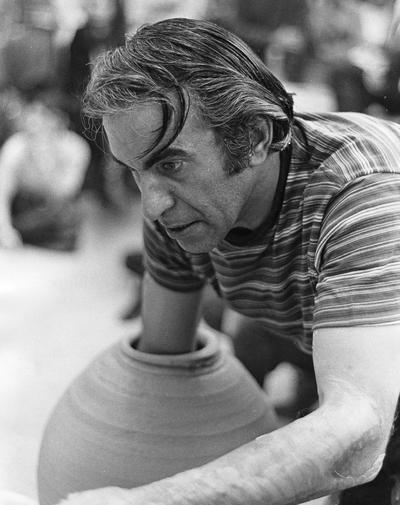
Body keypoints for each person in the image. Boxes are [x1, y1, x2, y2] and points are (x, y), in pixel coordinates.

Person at [61, 18, 400, 505]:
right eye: (137, 171)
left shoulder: (363, 194)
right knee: (250, 341)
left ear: (256, 136)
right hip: (314, 320)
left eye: (170, 164)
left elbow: (360, 433)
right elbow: (163, 366)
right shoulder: (174, 208)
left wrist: (147, 500)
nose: (153, 205)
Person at [0, 91, 90, 250]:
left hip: (53, 208)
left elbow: (66, 191)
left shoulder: (76, 148)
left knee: (65, 217)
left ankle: (27, 233)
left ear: (60, 120)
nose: (36, 122)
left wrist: (44, 163)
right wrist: (5, 230)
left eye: (44, 116)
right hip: (22, 206)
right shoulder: (16, 146)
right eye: (34, 114)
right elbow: (3, 193)